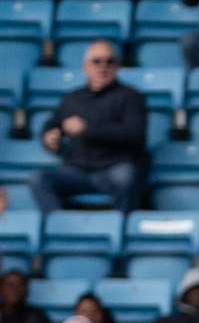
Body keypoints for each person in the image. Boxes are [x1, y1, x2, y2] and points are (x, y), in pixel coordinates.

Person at [29, 41, 147, 214]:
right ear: (85, 66)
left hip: (113, 168)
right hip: (77, 170)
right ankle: (59, 229)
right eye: (97, 61)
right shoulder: (72, 98)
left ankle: (120, 230)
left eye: (110, 61)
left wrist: (88, 129)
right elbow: (53, 125)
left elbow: (135, 135)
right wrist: (49, 138)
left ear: (117, 66)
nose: (103, 66)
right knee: (38, 178)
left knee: (127, 176)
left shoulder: (131, 97)